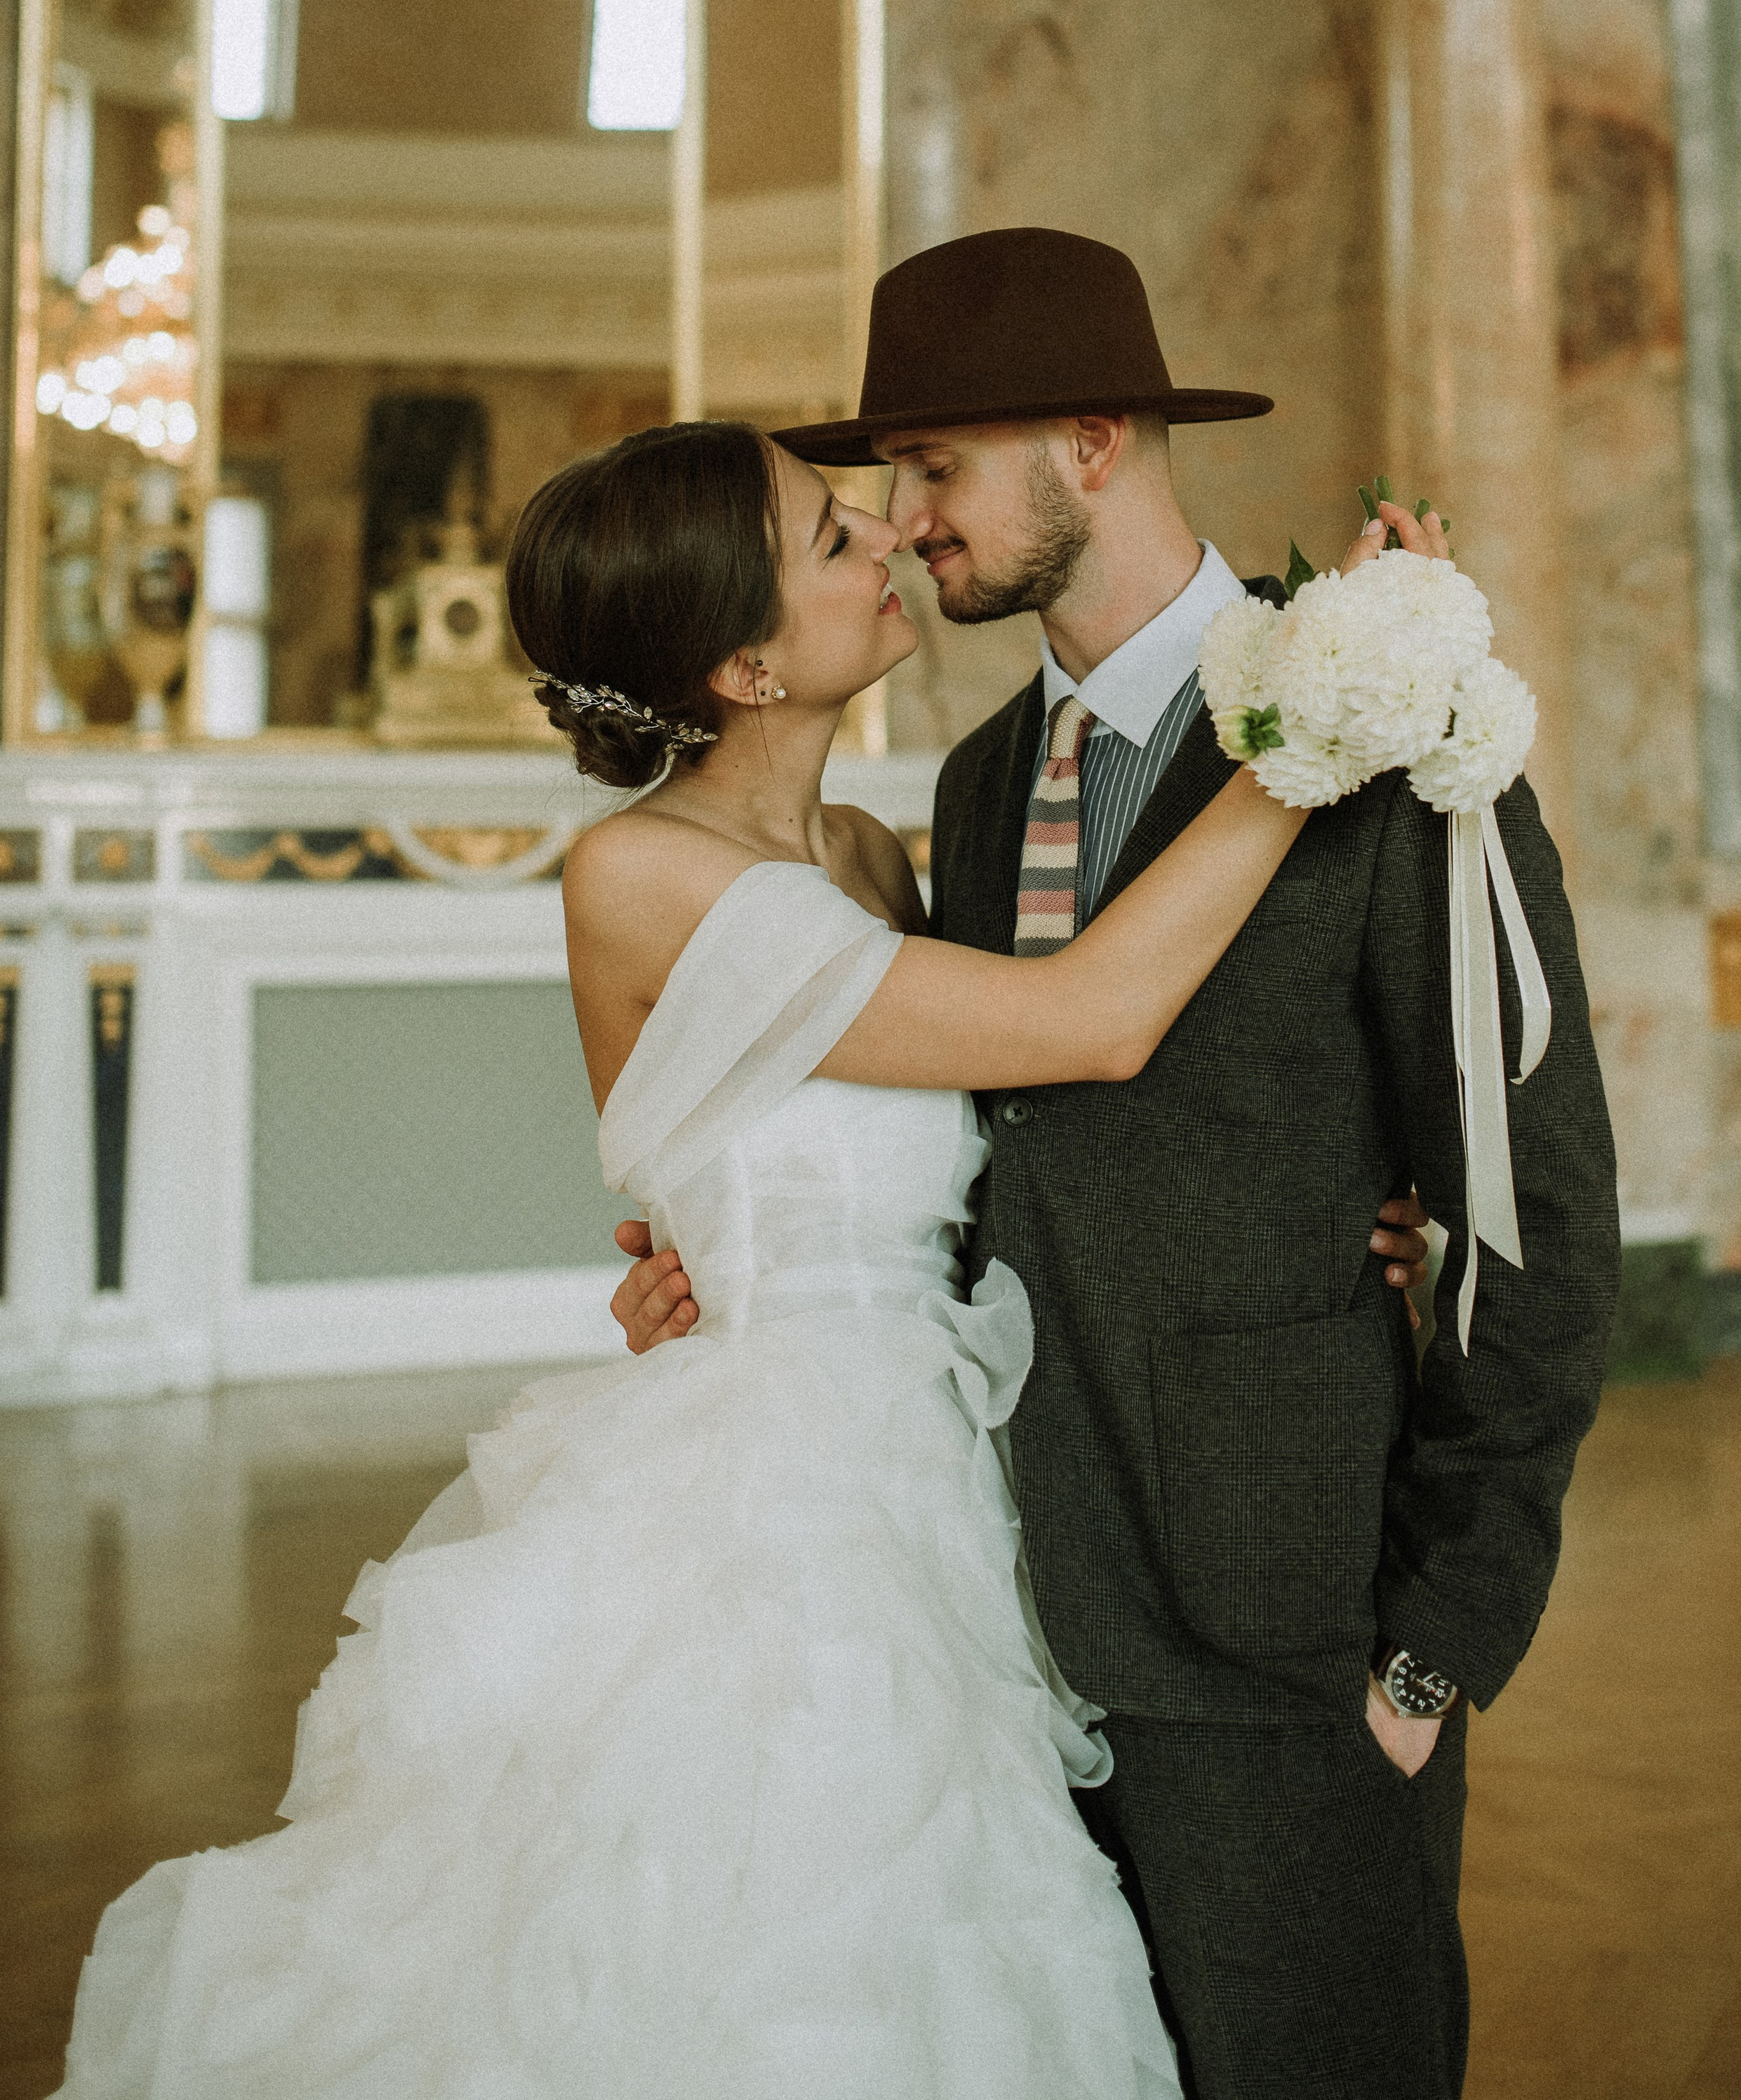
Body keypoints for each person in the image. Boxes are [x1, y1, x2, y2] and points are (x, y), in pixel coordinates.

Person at [54, 414, 1430, 2100]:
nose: (887, 540)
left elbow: (976, 1147)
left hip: (949, 1467)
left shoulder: (870, 858)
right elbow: (1082, 1021)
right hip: (775, 1512)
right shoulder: (637, 872)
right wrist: (1305, 722)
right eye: (829, 536)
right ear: (742, 660)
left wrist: (1320, 1198)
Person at [615, 228, 1622, 2100]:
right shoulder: (985, 782)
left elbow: (1534, 1210)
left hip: (1291, 1636)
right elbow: (999, 1141)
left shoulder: (1402, 735)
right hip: (1001, 1635)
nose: (903, 519)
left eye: (933, 466)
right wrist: (730, 1268)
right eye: (889, 479)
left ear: (1090, 442)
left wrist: (1432, 1655)